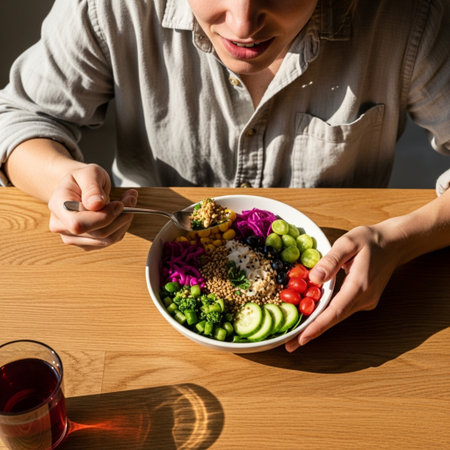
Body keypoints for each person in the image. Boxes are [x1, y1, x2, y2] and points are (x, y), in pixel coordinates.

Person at [0, 0, 449, 352]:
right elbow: (17, 117)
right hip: (126, 275)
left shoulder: (409, 19)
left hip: (352, 326)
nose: (241, 24)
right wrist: (62, 176)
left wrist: (401, 239)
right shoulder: (109, 7)